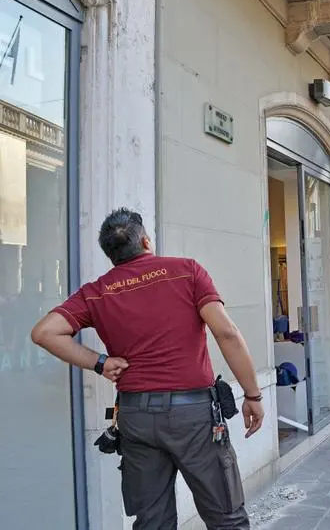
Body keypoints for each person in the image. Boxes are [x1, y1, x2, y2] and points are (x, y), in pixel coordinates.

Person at [30, 208, 263, 529]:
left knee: (152, 522)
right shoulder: (186, 272)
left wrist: (99, 363)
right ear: (146, 241)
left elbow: (43, 332)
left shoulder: (97, 292)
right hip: (193, 418)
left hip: (136, 418)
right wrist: (253, 394)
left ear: (111, 255)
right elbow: (226, 333)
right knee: (227, 518)